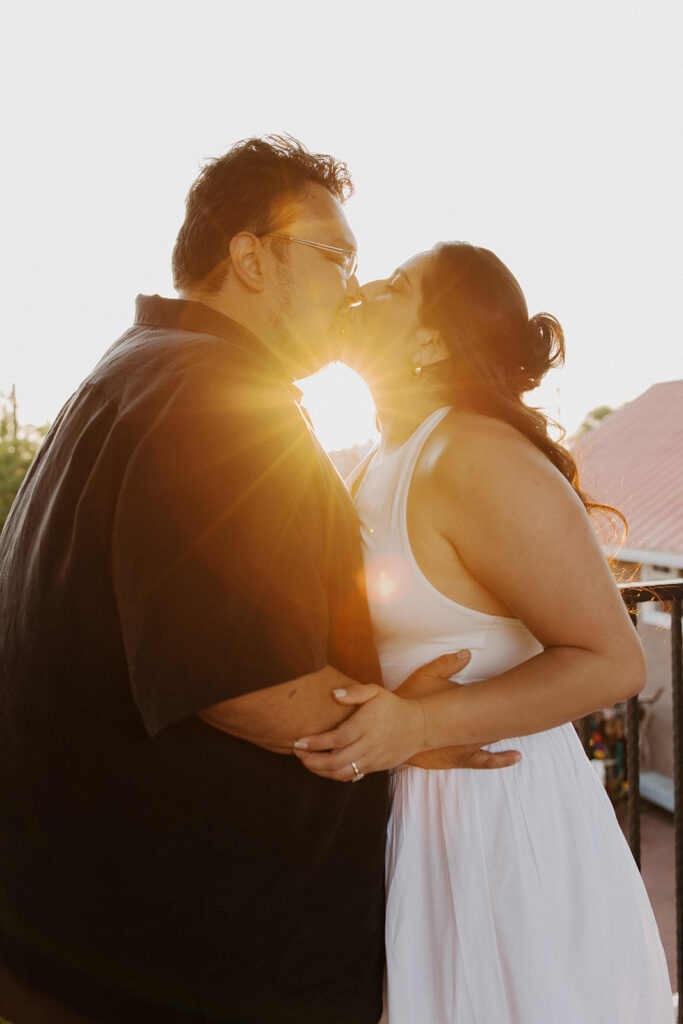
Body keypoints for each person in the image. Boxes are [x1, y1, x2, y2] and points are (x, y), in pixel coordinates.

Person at [0, 138, 516, 1024]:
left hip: (89, 938)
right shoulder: (211, 398)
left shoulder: (134, 370)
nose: (351, 287)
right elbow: (244, 682)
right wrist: (406, 728)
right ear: (248, 256)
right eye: (335, 257)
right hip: (187, 966)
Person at [294, 242, 674, 1022]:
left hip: (499, 823)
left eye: (394, 287)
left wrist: (418, 721)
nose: (364, 286)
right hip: (418, 811)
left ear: (432, 341)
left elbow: (612, 660)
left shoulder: (472, 456)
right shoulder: (380, 459)